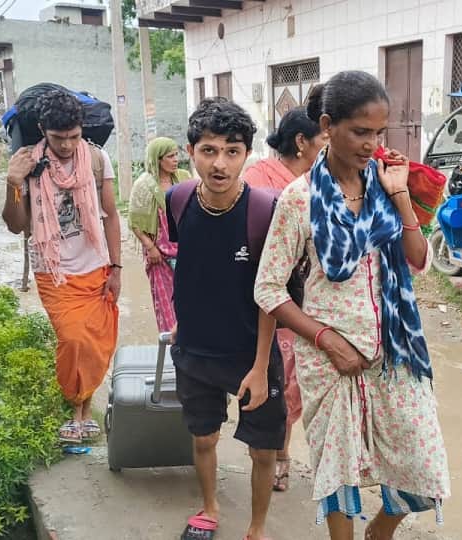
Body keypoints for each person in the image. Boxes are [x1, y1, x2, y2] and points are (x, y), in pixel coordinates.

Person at [254, 71, 451, 540]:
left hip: (395, 351)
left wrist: (401, 192)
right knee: (338, 474)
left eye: (379, 133)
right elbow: (268, 289)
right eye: (361, 132)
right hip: (329, 361)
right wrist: (327, 341)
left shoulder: (384, 183)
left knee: (422, 468)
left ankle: (379, 532)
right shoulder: (298, 200)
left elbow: (419, 260)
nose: (371, 144)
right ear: (328, 125)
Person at [168, 97, 286, 540]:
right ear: (190, 151)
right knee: (203, 438)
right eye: (209, 150)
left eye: (232, 151)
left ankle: (257, 527)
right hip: (195, 349)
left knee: (262, 448)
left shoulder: (263, 211)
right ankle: (210, 506)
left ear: (247, 154)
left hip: (250, 352)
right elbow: (192, 266)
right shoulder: (177, 200)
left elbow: (270, 294)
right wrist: (183, 321)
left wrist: (259, 367)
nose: (220, 163)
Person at [1, 89, 121, 444]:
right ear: (42, 130)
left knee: (97, 342)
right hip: (53, 269)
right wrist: (12, 183)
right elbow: (14, 223)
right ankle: (75, 405)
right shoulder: (26, 163)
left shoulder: (97, 159)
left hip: (95, 264)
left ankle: (84, 404)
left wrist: (116, 267)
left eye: (73, 136)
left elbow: (111, 215)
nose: (67, 145)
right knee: (72, 339)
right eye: (58, 138)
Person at [243, 107, 328, 493]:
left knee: (293, 382)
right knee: (270, 375)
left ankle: (283, 450)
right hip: (267, 295)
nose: (328, 147)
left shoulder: (325, 183)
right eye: (323, 140)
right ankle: (270, 454)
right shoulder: (259, 178)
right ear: (301, 142)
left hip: (309, 298)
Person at [128, 137, 190, 333]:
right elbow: (135, 222)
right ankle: (172, 349)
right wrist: (151, 247)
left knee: (191, 303)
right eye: (170, 156)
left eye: (176, 155)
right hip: (160, 257)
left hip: (187, 253)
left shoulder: (185, 178)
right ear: (157, 159)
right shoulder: (144, 186)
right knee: (167, 308)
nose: (175, 160)